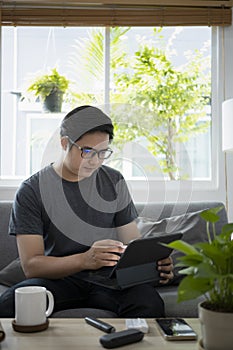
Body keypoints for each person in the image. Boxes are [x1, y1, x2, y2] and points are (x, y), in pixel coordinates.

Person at [0, 105, 173, 318]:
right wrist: (85, 259)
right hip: (59, 280)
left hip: (110, 279)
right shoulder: (32, 190)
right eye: (88, 151)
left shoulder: (114, 181)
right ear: (65, 143)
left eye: (103, 152)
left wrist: (152, 263)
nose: (96, 161)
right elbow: (31, 266)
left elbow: (132, 244)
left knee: (149, 302)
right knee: (9, 303)